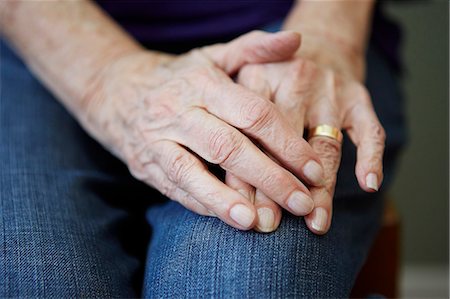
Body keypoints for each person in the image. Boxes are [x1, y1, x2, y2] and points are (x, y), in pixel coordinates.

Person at [0, 1, 405, 298]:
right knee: (40, 280)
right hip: (44, 37)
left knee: (249, 285)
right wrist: (105, 77)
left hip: (291, 33)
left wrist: (329, 35)